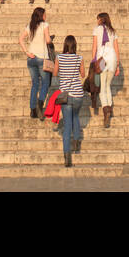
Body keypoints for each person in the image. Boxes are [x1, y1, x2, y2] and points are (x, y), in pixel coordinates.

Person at [45, 34, 88, 166]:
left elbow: (55, 73)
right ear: (75, 45)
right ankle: (76, 142)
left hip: (66, 95)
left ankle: (67, 156)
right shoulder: (79, 58)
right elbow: (83, 74)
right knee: (75, 117)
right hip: (78, 95)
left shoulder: (59, 57)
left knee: (67, 124)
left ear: (64, 45)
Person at [19, 5, 53, 119]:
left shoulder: (30, 26)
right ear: (41, 15)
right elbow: (48, 40)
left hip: (31, 58)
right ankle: (40, 104)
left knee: (35, 84)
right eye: (45, 14)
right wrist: (50, 39)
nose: (46, 16)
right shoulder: (44, 25)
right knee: (45, 83)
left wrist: (27, 52)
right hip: (42, 58)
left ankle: (32, 110)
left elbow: (20, 39)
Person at [91, 12, 120, 127]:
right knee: (107, 85)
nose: (97, 21)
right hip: (112, 58)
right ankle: (109, 106)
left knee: (102, 87)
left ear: (100, 20)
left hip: (101, 59)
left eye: (97, 19)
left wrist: (93, 61)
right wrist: (117, 65)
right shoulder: (113, 31)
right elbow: (117, 49)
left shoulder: (97, 29)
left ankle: (106, 109)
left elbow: (94, 47)